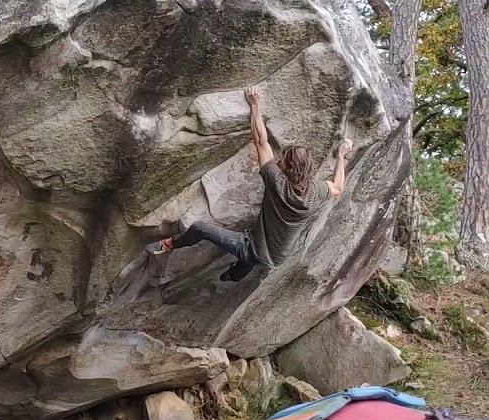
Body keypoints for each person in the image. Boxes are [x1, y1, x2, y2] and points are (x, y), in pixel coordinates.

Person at [143, 85, 353, 282]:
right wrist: (341, 156)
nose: (279, 160)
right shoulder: (317, 191)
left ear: (288, 169)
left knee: (201, 229)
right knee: (247, 262)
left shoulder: (276, 181)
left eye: (283, 160)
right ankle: (232, 276)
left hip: (253, 247)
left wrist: (255, 105)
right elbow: (338, 187)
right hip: (279, 255)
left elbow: (261, 141)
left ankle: (169, 244)